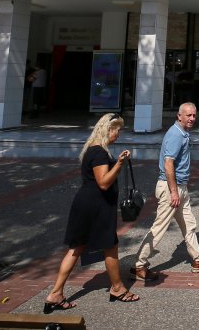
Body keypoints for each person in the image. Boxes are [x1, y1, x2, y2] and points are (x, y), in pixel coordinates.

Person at [44, 113, 138, 312]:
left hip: (86, 203)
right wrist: (119, 164)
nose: (119, 134)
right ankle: (118, 288)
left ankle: (56, 293)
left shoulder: (93, 150)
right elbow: (103, 183)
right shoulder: (99, 153)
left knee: (77, 247)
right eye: (117, 130)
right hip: (96, 205)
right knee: (110, 245)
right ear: (108, 130)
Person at [131, 102, 199, 281]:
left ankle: (198, 259)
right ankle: (139, 265)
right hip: (170, 188)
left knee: (189, 223)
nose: (192, 119)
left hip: (180, 187)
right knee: (159, 227)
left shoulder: (183, 133)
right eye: (188, 115)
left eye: (194, 115)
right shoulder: (175, 135)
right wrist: (173, 192)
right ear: (179, 116)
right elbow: (168, 164)